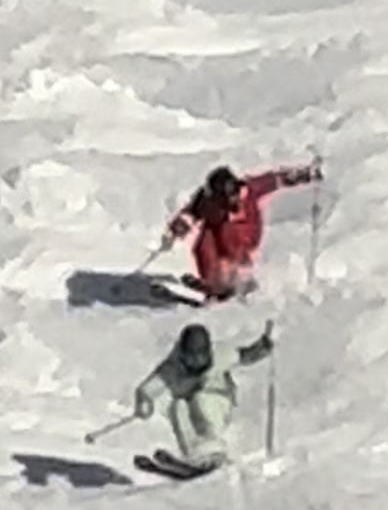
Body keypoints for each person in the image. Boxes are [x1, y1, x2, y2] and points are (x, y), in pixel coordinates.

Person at [161, 160, 323, 302]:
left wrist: (305, 175)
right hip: (221, 241)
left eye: (230, 197)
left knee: (232, 244)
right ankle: (215, 283)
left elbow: (275, 179)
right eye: (219, 200)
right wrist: (174, 231)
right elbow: (189, 215)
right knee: (204, 242)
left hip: (246, 238)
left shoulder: (251, 189)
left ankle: (238, 280)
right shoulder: (207, 202)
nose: (227, 203)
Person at [133, 320, 274, 470]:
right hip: (191, 408)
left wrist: (261, 348)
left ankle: (214, 445)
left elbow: (245, 355)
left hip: (218, 400)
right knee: (177, 406)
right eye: (190, 358)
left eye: (201, 357)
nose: (196, 363)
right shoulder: (172, 367)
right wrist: (143, 403)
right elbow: (147, 389)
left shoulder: (221, 355)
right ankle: (193, 453)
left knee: (200, 398)